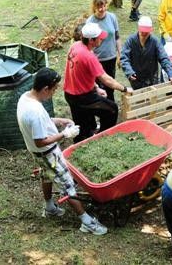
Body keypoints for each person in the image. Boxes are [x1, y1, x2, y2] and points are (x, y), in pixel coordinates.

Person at [16, 67, 108, 235]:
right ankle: (86, 222)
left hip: (37, 154)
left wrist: (60, 121)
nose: (54, 92)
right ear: (45, 89)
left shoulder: (26, 98)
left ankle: (50, 207)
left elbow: (42, 122)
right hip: (48, 153)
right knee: (68, 185)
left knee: (47, 175)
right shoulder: (34, 111)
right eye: (54, 89)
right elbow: (40, 140)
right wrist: (64, 134)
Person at [64, 23, 133, 143]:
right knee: (112, 110)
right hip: (82, 97)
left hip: (69, 94)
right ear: (91, 40)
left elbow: (80, 74)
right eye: (99, 37)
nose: (102, 39)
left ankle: (83, 139)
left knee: (82, 124)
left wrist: (96, 88)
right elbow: (107, 80)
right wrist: (125, 89)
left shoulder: (75, 46)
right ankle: (102, 139)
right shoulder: (89, 57)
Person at [120, 16, 172, 90]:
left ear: (151, 30)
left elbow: (164, 58)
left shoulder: (155, 41)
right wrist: (129, 71)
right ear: (138, 28)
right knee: (138, 98)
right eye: (142, 32)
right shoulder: (131, 40)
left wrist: (171, 73)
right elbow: (124, 58)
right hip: (136, 78)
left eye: (146, 32)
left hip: (152, 78)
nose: (144, 34)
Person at [86, 0, 121, 102]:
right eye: (99, 6)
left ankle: (111, 106)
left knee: (110, 85)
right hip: (97, 60)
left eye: (104, 6)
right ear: (94, 7)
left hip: (111, 58)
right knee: (100, 87)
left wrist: (120, 54)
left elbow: (117, 37)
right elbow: (87, 44)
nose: (102, 9)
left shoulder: (112, 17)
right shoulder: (90, 21)